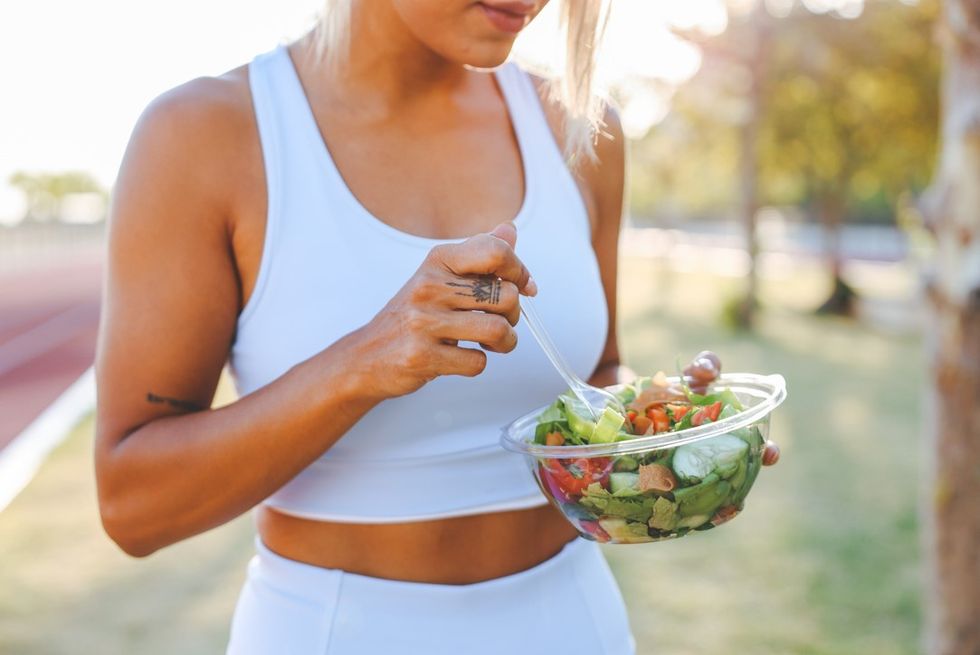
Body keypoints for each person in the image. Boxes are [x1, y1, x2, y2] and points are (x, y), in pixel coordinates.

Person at [94, 1, 778, 653]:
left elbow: (597, 377)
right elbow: (134, 506)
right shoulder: (205, 135)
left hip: (574, 622)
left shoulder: (579, 124)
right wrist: (361, 363)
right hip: (332, 632)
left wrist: (663, 433)